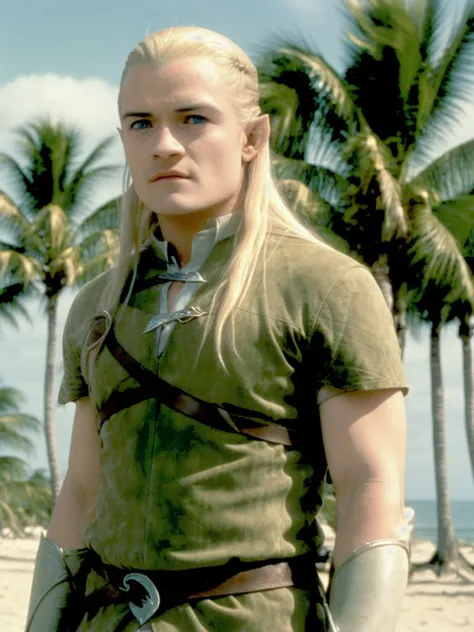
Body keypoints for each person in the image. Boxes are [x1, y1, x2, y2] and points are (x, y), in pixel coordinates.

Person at [26, 26, 410, 632]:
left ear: (253, 137)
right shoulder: (95, 306)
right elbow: (80, 492)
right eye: (141, 123)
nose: (166, 145)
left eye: (194, 118)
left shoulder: (327, 287)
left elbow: (371, 490)